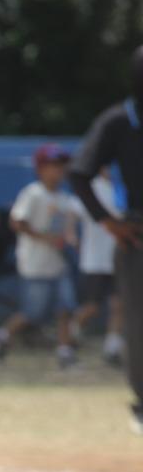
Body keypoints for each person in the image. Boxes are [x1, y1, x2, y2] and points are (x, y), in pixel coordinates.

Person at [67, 43, 143, 435]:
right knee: (137, 316)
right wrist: (109, 222)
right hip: (137, 233)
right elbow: (79, 174)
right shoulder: (118, 122)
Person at [0, 145, 82, 368]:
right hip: (35, 263)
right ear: (41, 169)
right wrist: (44, 238)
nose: (59, 170)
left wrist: (70, 240)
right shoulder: (33, 193)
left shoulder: (65, 198)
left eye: (61, 166)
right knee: (32, 313)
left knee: (65, 308)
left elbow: (68, 228)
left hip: (58, 263)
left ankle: (65, 354)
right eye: (53, 166)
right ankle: (1, 337)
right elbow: (17, 221)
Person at [72, 166, 126, 368]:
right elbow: (73, 212)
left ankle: (112, 348)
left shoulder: (120, 189)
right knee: (92, 307)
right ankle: (70, 332)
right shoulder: (90, 187)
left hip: (117, 257)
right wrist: (71, 235)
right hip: (94, 259)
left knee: (118, 304)